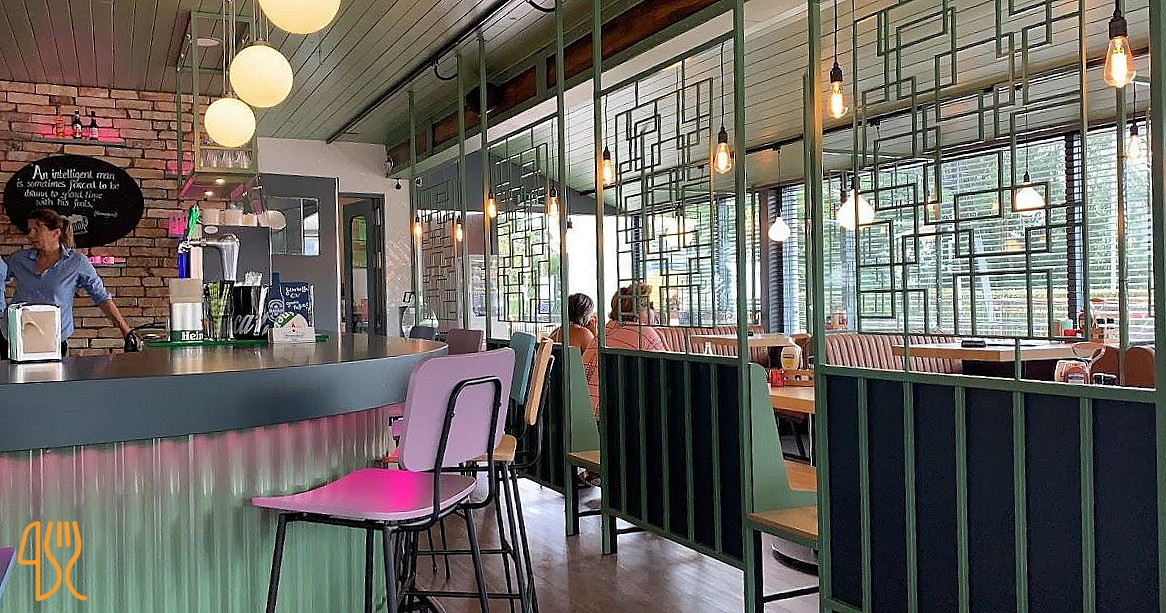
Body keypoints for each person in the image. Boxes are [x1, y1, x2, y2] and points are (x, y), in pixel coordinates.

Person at [5, 208, 132, 355]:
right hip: (15, 338)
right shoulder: (18, 259)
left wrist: (126, 331)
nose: (30, 235)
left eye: (37, 230)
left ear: (56, 233)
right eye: (29, 230)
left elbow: (101, 297)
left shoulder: (77, 262)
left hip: (53, 341)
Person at [582, 282, 666, 420]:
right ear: (639, 313)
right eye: (650, 307)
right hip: (619, 419)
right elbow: (667, 374)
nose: (654, 312)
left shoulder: (605, 331)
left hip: (585, 413)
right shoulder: (645, 334)